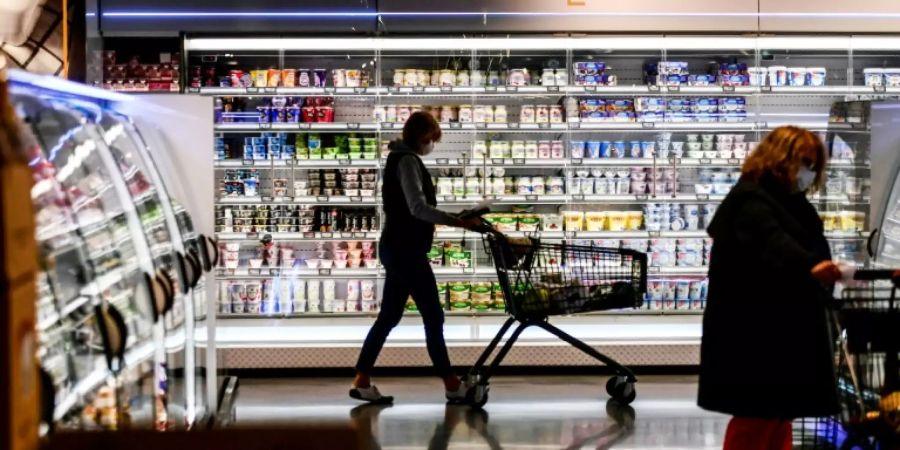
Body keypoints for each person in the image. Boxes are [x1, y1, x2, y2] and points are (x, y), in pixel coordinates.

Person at [698, 126, 846, 450]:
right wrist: (810, 267)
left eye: (813, 165)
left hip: (782, 328)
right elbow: (771, 242)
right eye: (803, 163)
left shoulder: (790, 201)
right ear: (780, 160)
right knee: (757, 415)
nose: (808, 173)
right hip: (755, 331)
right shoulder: (750, 199)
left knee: (780, 414)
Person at [351, 111, 482, 404]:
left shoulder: (398, 158)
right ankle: (451, 384)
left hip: (397, 247)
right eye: (431, 139)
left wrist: (455, 218)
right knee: (433, 316)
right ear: (423, 138)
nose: (431, 145)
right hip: (406, 250)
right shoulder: (408, 160)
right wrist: (458, 222)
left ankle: (361, 380)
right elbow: (417, 208)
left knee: (388, 317)